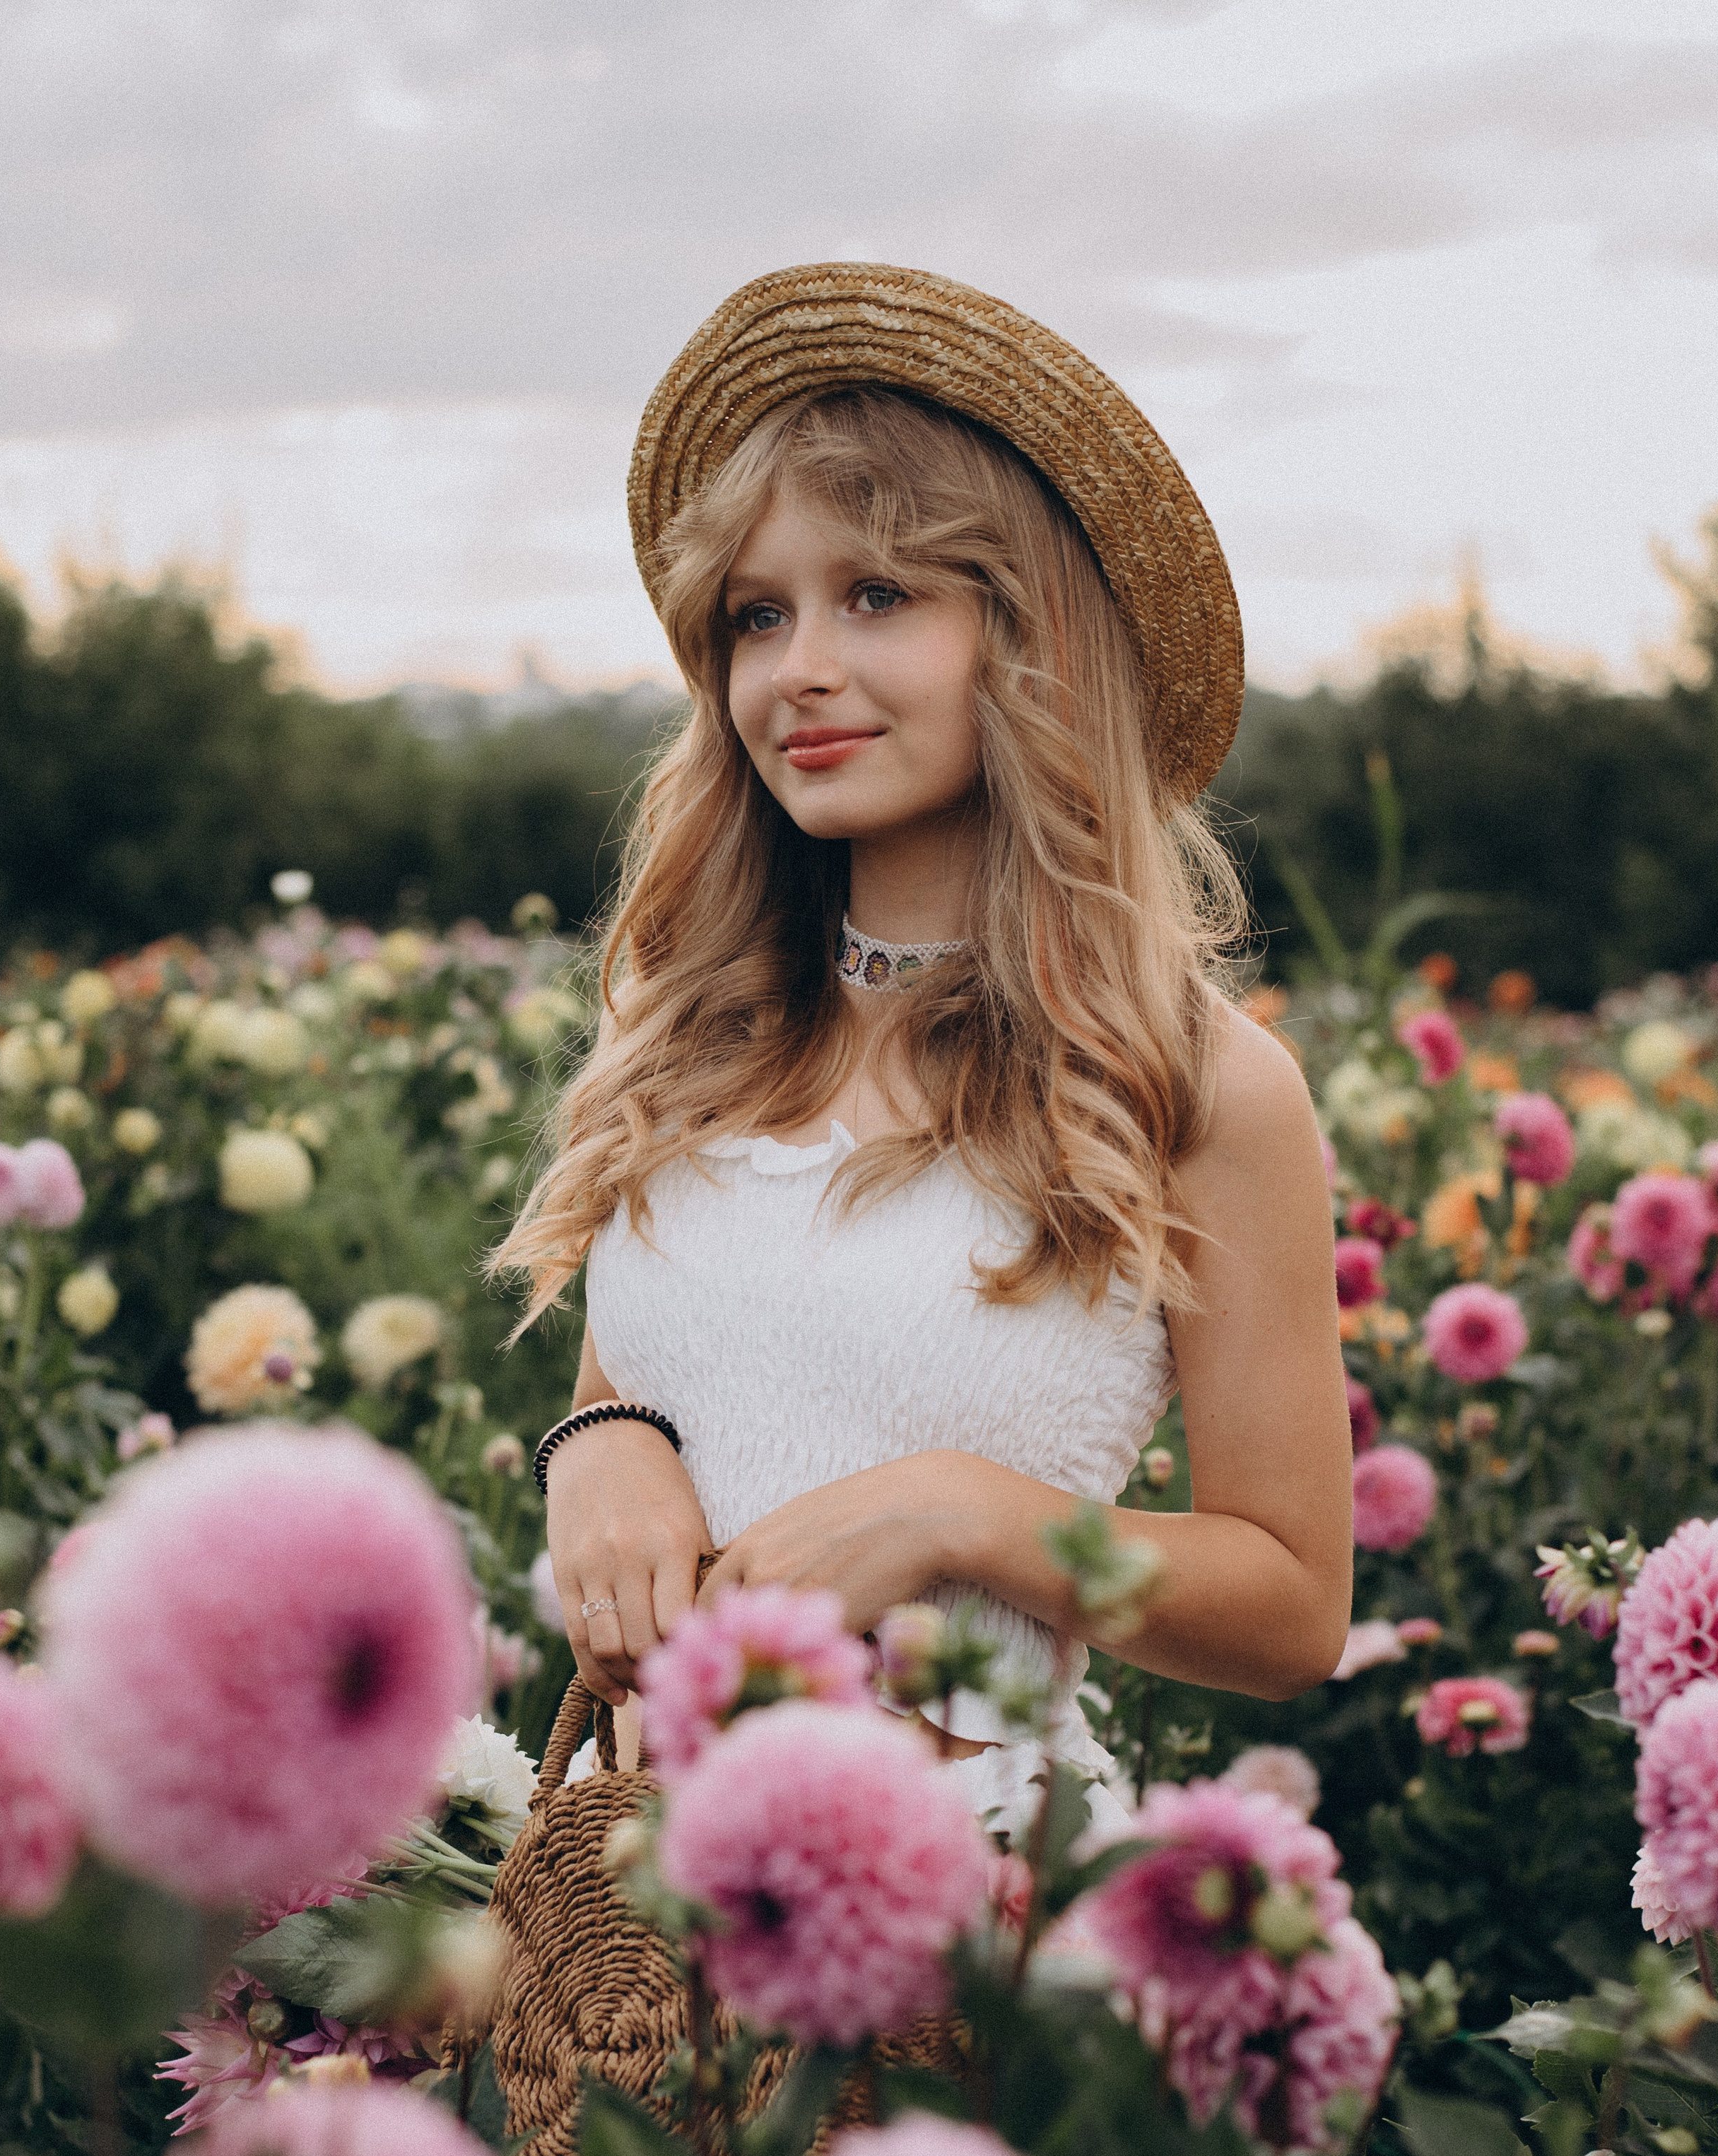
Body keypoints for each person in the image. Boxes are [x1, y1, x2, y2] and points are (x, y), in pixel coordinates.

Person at [495, 264, 1351, 1818]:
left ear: (1029, 639)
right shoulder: (687, 1024)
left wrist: (961, 1514)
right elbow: (647, 1381)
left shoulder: (1193, 1081)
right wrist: (597, 1444)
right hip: (631, 1902)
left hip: (967, 1896)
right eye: (757, 616)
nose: (798, 669)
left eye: (878, 595)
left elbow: (1290, 1606)